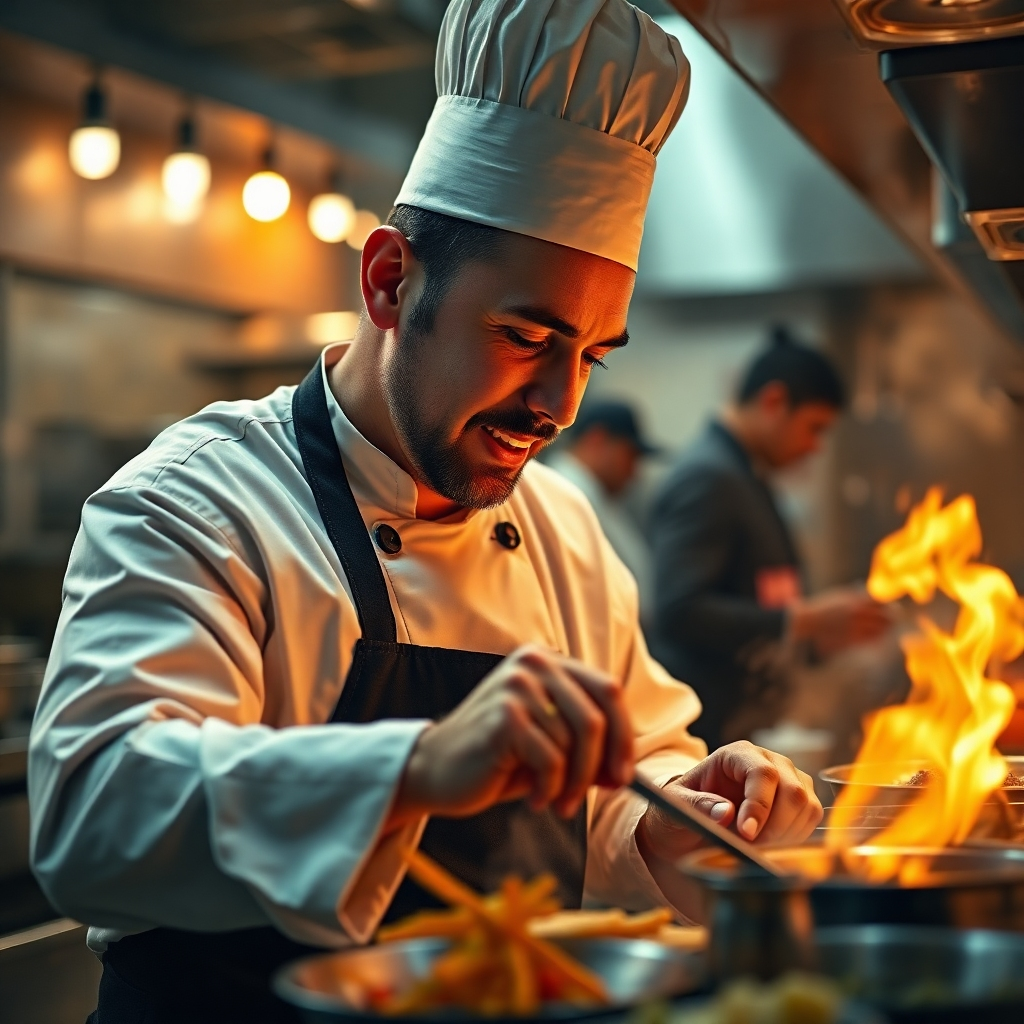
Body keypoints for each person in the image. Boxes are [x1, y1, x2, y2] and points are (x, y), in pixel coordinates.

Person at [29, 6, 822, 1023]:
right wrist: (414, 765)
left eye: (590, 354)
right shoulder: (198, 500)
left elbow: (629, 766)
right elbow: (93, 814)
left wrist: (673, 812)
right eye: (526, 333)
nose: (560, 403)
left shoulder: (563, 530)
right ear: (390, 281)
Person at [649, 329, 890, 750]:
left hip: (739, 730)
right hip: (700, 737)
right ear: (774, 402)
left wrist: (820, 636)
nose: (815, 447)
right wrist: (807, 619)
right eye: (814, 428)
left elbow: (754, 604)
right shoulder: (709, 477)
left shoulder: (747, 476)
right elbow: (679, 611)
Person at [547, 400, 659, 620]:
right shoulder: (561, 492)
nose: (634, 472)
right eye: (631, 456)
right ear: (596, 440)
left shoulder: (591, 493)